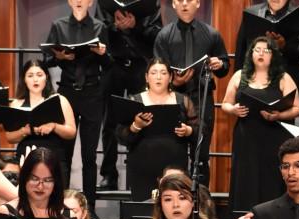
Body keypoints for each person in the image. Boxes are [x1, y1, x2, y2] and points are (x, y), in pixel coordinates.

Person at [44, 0, 111, 219]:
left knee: (89, 155)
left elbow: (110, 64)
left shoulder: (100, 27)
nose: (80, 1)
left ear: (91, 2)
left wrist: (102, 53)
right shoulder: (58, 25)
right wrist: (59, 57)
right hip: (67, 93)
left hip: (92, 92)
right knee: (64, 153)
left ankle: (89, 208)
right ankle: (60, 206)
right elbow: (46, 59)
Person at [153, 0, 229, 186]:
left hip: (201, 97)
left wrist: (219, 64)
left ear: (197, 4)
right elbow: (158, 68)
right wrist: (173, 80)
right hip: (173, 99)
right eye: (181, 1)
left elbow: (224, 66)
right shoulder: (164, 35)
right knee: (172, 152)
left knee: (201, 156)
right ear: (174, 4)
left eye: (190, 0)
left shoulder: (211, 33)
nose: (185, 4)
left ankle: (201, 202)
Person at [221, 36, 299, 212]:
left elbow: (297, 108)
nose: (261, 54)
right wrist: (233, 109)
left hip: (273, 134)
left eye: (266, 50)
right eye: (257, 50)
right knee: (245, 174)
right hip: (246, 134)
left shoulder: (283, 77)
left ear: (273, 55)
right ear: (251, 54)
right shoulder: (239, 75)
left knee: (270, 176)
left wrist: (279, 114)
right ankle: (242, 215)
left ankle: (274, 215)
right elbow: (225, 103)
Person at [95, 1, 162, 190]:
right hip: (112, 64)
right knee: (109, 122)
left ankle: (138, 172)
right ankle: (109, 175)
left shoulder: (150, 3)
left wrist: (136, 26)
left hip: (140, 65)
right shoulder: (105, 3)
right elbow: (98, 30)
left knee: (142, 118)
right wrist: (115, 27)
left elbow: (158, 34)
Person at [115, 58, 197, 201]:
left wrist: (188, 131)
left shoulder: (182, 100)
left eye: (163, 73)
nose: (158, 77)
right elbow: (121, 136)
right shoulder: (134, 100)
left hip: (174, 167)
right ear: (147, 77)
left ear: (170, 77)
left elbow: (199, 130)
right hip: (142, 166)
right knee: (142, 212)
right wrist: (136, 126)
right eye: (153, 73)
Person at [3, 59, 77, 183]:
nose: (35, 80)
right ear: (24, 80)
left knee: (56, 199)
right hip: (26, 154)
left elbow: (71, 132)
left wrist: (54, 126)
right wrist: (24, 131)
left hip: (53, 155)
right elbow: (10, 137)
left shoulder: (59, 99)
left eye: (39, 75)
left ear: (46, 77)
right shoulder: (16, 103)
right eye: (30, 76)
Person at [235, 0, 299, 96]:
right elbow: (241, 49)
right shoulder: (251, 12)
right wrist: (239, 82)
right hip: (253, 82)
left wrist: (284, 46)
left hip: (286, 82)